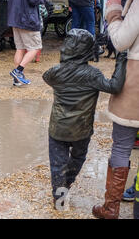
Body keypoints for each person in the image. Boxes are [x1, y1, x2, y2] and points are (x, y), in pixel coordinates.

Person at [42, 28, 127, 210]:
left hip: (58, 128)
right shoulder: (93, 75)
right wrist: (121, 60)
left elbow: (45, 77)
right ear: (88, 51)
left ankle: (59, 197)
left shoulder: (54, 72)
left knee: (57, 164)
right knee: (77, 158)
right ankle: (67, 184)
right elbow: (115, 86)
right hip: (82, 129)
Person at [92, 0, 139, 219]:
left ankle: (111, 208)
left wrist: (114, 11)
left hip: (135, 85)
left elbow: (120, 41)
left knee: (122, 144)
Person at [7, 0, 50, 86]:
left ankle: (17, 80)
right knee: (35, 47)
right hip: (27, 19)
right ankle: (18, 71)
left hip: (15, 18)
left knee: (20, 48)